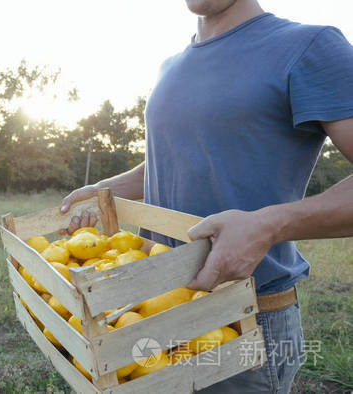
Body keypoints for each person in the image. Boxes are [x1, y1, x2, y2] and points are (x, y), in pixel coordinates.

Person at [58, 1, 353, 393]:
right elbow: (169, 165)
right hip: (149, 311)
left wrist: (267, 225)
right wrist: (104, 191)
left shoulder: (310, 46)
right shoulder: (171, 66)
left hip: (242, 317)